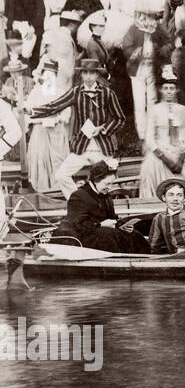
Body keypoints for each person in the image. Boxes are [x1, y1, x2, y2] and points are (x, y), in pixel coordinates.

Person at [52, 160, 149, 253]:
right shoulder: (79, 196)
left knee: (135, 235)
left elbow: (112, 218)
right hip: (84, 237)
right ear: (95, 180)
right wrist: (100, 225)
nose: (110, 187)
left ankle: (143, 261)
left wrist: (121, 225)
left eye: (112, 183)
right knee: (109, 237)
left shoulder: (106, 196)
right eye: (107, 184)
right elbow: (76, 224)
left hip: (103, 233)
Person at [137, 67, 185, 198]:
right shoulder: (153, 110)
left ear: (177, 90)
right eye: (166, 88)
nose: (169, 92)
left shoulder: (184, 110)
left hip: (178, 151)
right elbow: (149, 138)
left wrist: (181, 159)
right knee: (149, 169)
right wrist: (164, 158)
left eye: (172, 88)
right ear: (160, 90)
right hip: (159, 152)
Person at [23, 58, 70, 193]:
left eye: (52, 75)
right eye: (46, 75)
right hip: (40, 131)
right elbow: (28, 114)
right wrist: (39, 120)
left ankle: (59, 189)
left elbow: (67, 113)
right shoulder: (36, 92)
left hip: (56, 132)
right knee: (41, 159)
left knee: (57, 160)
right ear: (42, 75)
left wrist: (57, 119)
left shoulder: (60, 92)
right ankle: (42, 189)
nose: (49, 78)